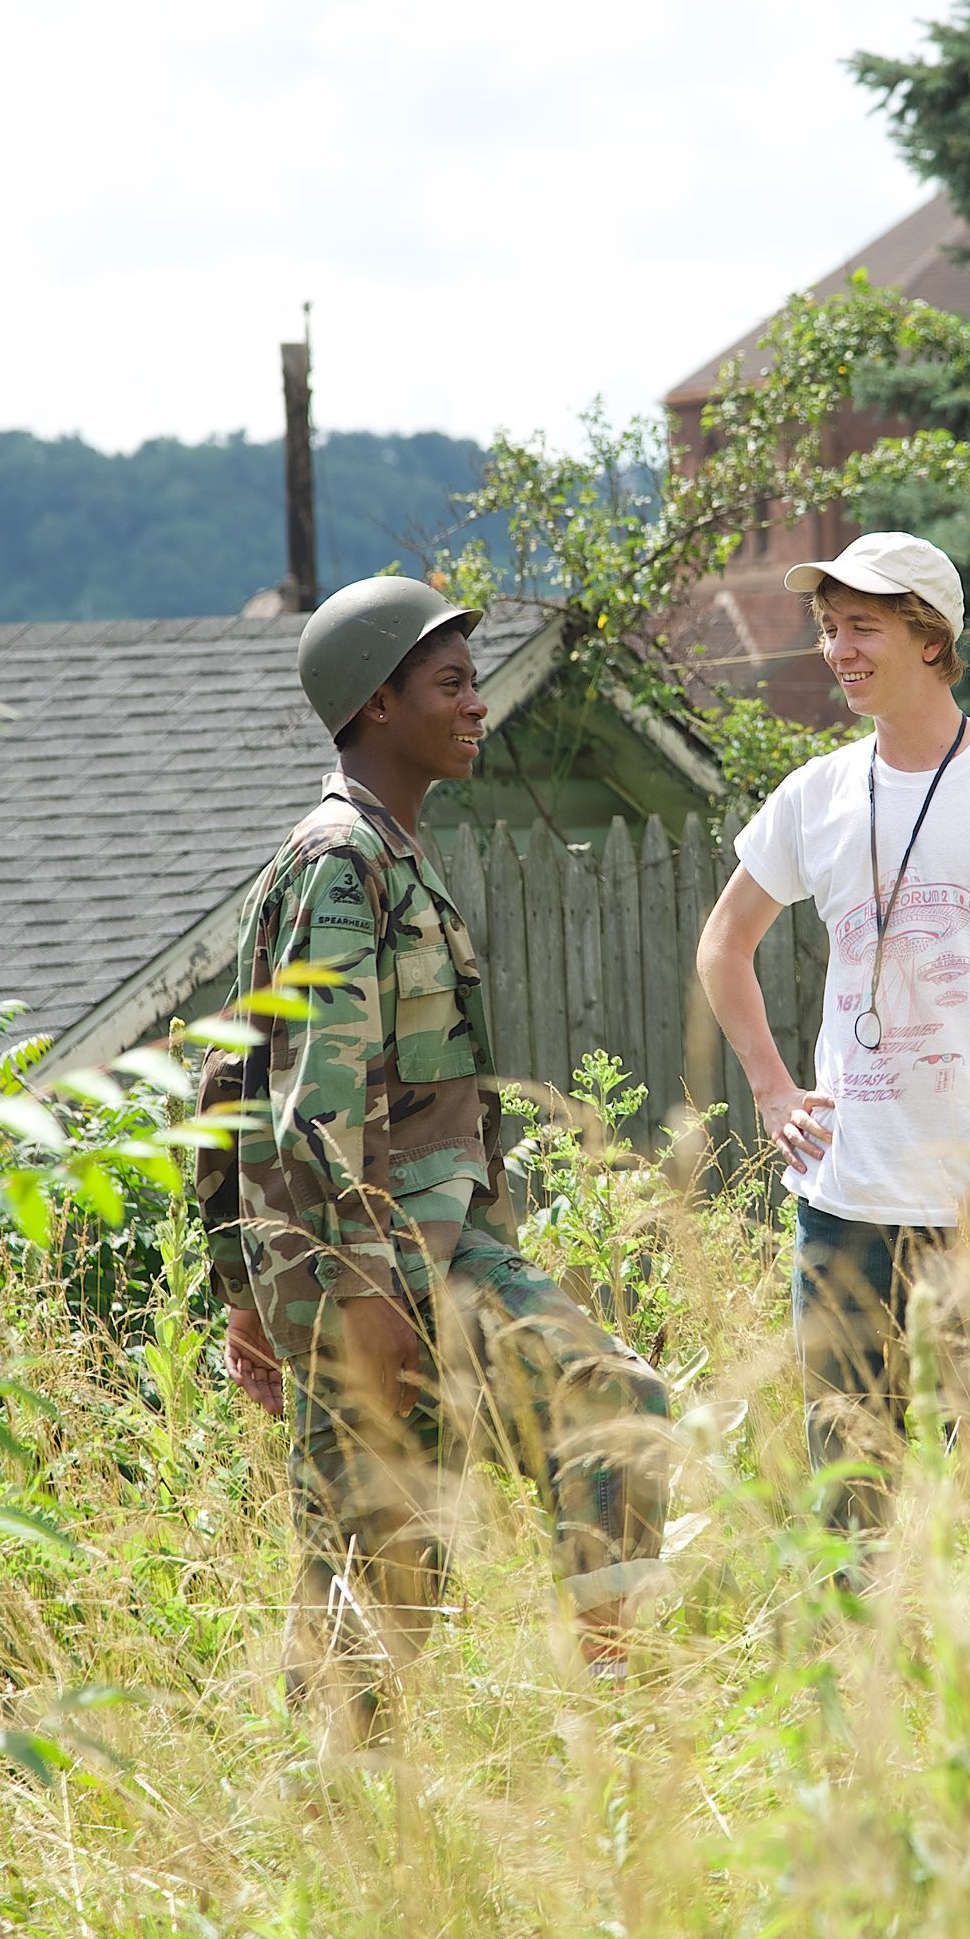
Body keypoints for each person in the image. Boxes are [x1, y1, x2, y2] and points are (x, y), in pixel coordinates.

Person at [199, 576, 670, 1732]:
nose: (476, 707)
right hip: (384, 1269)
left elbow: (234, 1074)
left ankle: (609, 1699)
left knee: (579, 1430)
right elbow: (309, 1098)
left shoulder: (384, 851)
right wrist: (339, 1290)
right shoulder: (340, 859)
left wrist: (247, 1290)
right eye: (449, 684)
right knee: (384, 1585)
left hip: (422, 1254)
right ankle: (351, 1837)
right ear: (376, 705)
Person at [695, 532, 970, 1538]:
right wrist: (769, 1087)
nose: (838, 649)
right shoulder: (817, 794)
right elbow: (724, 945)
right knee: (850, 1511)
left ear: (930, 637)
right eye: (829, 628)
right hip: (843, 1208)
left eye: (863, 627)